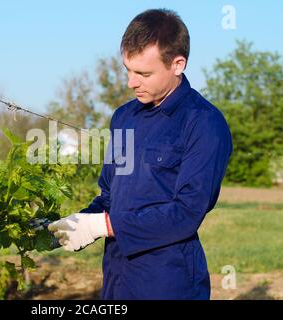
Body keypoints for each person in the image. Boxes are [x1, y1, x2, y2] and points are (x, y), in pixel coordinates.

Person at [48, 8, 233, 300]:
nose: (131, 82)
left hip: (168, 280)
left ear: (177, 64)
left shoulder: (203, 122)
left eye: (143, 73)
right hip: (117, 276)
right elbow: (109, 196)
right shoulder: (124, 117)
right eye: (128, 70)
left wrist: (104, 225)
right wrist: (76, 224)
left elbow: (187, 212)